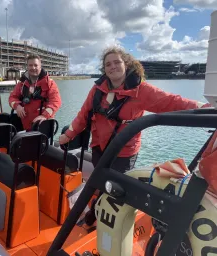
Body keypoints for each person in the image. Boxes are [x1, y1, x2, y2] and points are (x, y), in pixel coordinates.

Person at [59, 46, 211, 172]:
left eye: (117, 62)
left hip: (124, 151)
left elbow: (171, 101)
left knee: (116, 190)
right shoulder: (97, 89)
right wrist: (68, 134)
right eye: (108, 64)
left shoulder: (141, 90)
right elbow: (83, 114)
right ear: (104, 70)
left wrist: (205, 108)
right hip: (99, 147)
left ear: (126, 64)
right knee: (99, 182)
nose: (113, 67)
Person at [8, 54, 62, 130]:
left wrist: (44, 116)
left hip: (43, 125)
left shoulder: (49, 83)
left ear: (40, 66)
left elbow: (56, 102)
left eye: (35, 65)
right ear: (27, 67)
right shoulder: (21, 84)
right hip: (26, 126)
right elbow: (12, 97)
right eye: (30, 65)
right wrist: (17, 106)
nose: (33, 68)